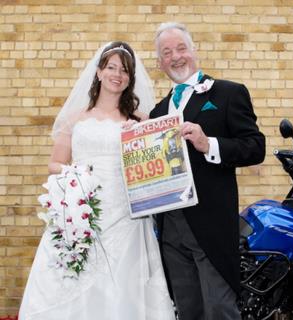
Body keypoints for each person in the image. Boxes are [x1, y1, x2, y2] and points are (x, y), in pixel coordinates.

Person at [19, 41, 176, 320]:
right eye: (112, 67)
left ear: (130, 79)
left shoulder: (140, 119)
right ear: (99, 72)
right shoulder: (75, 118)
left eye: (124, 71)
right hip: (83, 210)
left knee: (122, 283)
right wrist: (77, 179)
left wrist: (139, 136)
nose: (118, 74)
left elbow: (156, 165)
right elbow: (55, 164)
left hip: (126, 215)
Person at [150, 22, 266, 320]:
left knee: (219, 310)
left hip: (211, 226)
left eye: (181, 48)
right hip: (171, 229)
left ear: (194, 51)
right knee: (188, 311)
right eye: (167, 52)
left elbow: (255, 147)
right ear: (159, 62)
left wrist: (209, 144)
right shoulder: (157, 113)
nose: (176, 57)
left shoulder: (228, 93)